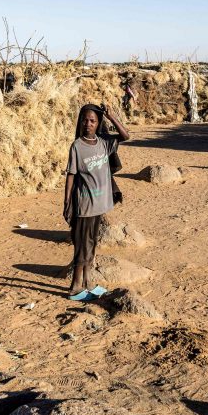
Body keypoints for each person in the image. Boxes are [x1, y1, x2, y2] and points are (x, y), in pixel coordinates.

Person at [63, 103, 131, 298]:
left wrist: (112, 117)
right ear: (80, 122)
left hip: (99, 205)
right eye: (85, 120)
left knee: (91, 245)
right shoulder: (77, 146)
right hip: (84, 206)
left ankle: (88, 283)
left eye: (92, 120)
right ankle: (75, 288)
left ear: (98, 122)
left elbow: (125, 136)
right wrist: (67, 203)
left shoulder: (103, 143)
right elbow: (71, 175)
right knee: (82, 247)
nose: (88, 124)